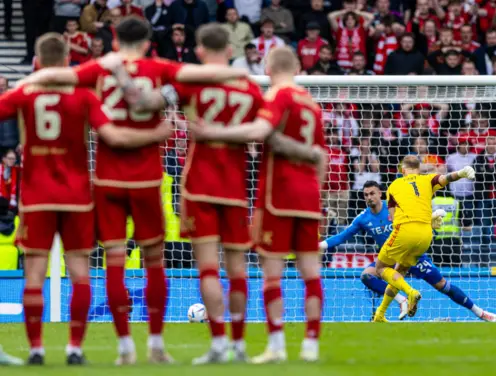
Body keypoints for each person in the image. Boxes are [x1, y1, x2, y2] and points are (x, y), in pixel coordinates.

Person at [19, 16, 249, 365]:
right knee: (154, 263)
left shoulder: (98, 68)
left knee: (114, 264)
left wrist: (30, 80)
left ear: (113, 39)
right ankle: (155, 345)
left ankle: (125, 347)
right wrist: (237, 73)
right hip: (146, 179)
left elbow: (55, 75)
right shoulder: (160, 66)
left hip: (106, 181)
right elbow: (204, 74)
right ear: (147, 42)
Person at [0, 32, 171, 366]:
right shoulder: (84, 97)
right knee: (80, 273)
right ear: (67, 61)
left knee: (33, 274)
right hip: (77, 195)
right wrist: (156, 134)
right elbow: (112, 136)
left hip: (35, 196)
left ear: (37, 62)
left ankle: (36, 350)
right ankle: (74, 349)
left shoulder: (24, 93)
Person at [187, 46, 328, 363]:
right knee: (311, 272)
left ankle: (276, 345)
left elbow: (260, 131)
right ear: (297, 68)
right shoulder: (312, 104)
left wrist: (215, 131)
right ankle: (311, 345)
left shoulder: (279, 96)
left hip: (278, 195)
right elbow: (323, 157)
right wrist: (315, 190)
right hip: (308, 197)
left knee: (272, 274)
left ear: (268, 67)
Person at [319, 181, 496, 321]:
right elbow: (342, 236)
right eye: (366, 194)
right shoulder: (362, 218)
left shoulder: (395, 208)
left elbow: (416, 219)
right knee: (367, 275)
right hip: (390, 259)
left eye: (372, 193)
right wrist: (321, 245)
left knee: (443, 286)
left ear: (380, 193)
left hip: (413, 255)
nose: (369, 197)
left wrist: (431, 219)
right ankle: (402, 300)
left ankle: (480, 312)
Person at [371, 156, 479, 322]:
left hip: (405, 232)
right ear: (419, 169)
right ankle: (380, 314)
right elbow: (446, 178)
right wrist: (462, 172)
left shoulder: (394, 185)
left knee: (380, 268)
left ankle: (410, 293)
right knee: (400, 270)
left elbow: (392, 218)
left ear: (402, 170)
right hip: (426, 236)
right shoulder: (427, 180)